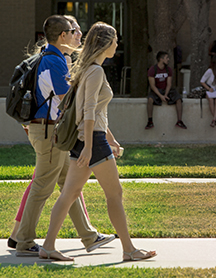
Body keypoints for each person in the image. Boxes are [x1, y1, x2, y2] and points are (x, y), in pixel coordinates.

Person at [38, 21, 157, 262]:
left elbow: (97, 113)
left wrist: (111, 139)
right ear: (104, 44)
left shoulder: (88, 70)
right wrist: (92, 147)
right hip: (91, 141)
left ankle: (48, 246)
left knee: (69, 194)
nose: (117, 45)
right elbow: (88, 110)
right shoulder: (95, 71)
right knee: (115, 194)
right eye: (114, 41)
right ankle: (129, 250)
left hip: (90, 139)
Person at [15, 15, 115, 257]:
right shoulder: (55, 62)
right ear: (63, 36)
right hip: (49, 131)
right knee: (42, 186)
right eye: (74, 31)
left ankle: (89, 237)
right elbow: (70, 103)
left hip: (49, 130)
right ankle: (25, 241)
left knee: (68, 184)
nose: (78, 34)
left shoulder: (56, 58)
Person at [145, 51, 187, 130]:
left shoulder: (169, 70)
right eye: (166, 58)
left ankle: (179, 121)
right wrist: (160, 96)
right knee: (150, 100)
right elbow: (152, 86)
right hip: (157, 90)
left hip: (167, 90)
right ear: (161, 59)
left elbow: (169, 84)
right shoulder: (152, 70)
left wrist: (166, 95)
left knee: (178, 99)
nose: (168, 60)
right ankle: (150, 121)